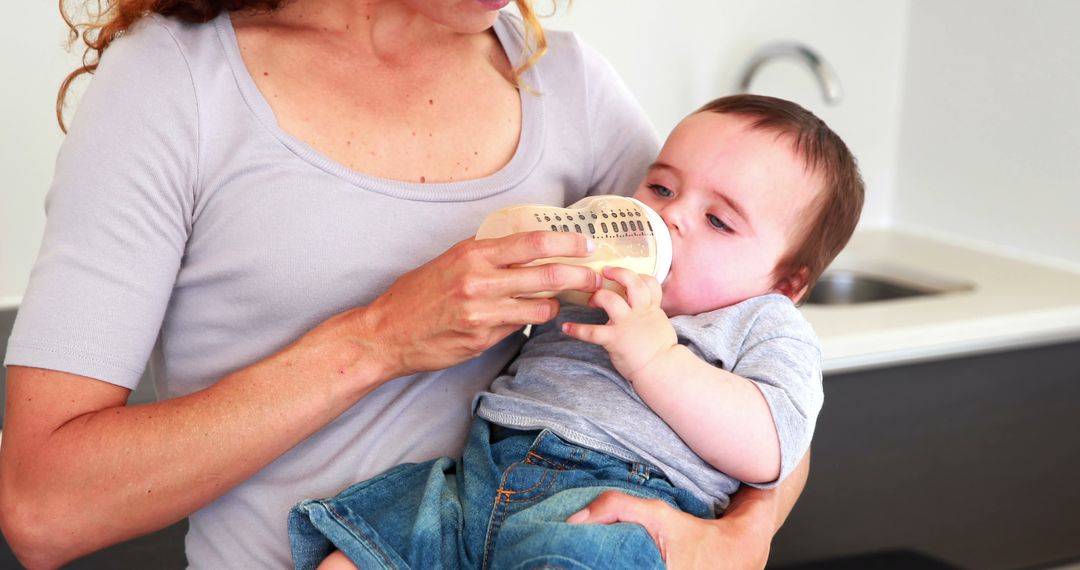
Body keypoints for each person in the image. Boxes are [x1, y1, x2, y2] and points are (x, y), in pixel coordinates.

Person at [0, 1, 810, 568]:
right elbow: (44, 512)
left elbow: (765, 382)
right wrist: (378, 339)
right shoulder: (175, 83)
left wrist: (741, 538)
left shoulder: (566, 87)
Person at [288, 94, 865, 569]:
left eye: (718, 221)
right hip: (479, 475)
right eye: (661, 188)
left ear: (787, 283)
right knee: (355, 552)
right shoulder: (601, 276)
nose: (671, 216)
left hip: (614, 501)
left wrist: (658, 357)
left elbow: (772, 448)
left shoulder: (766, 325)